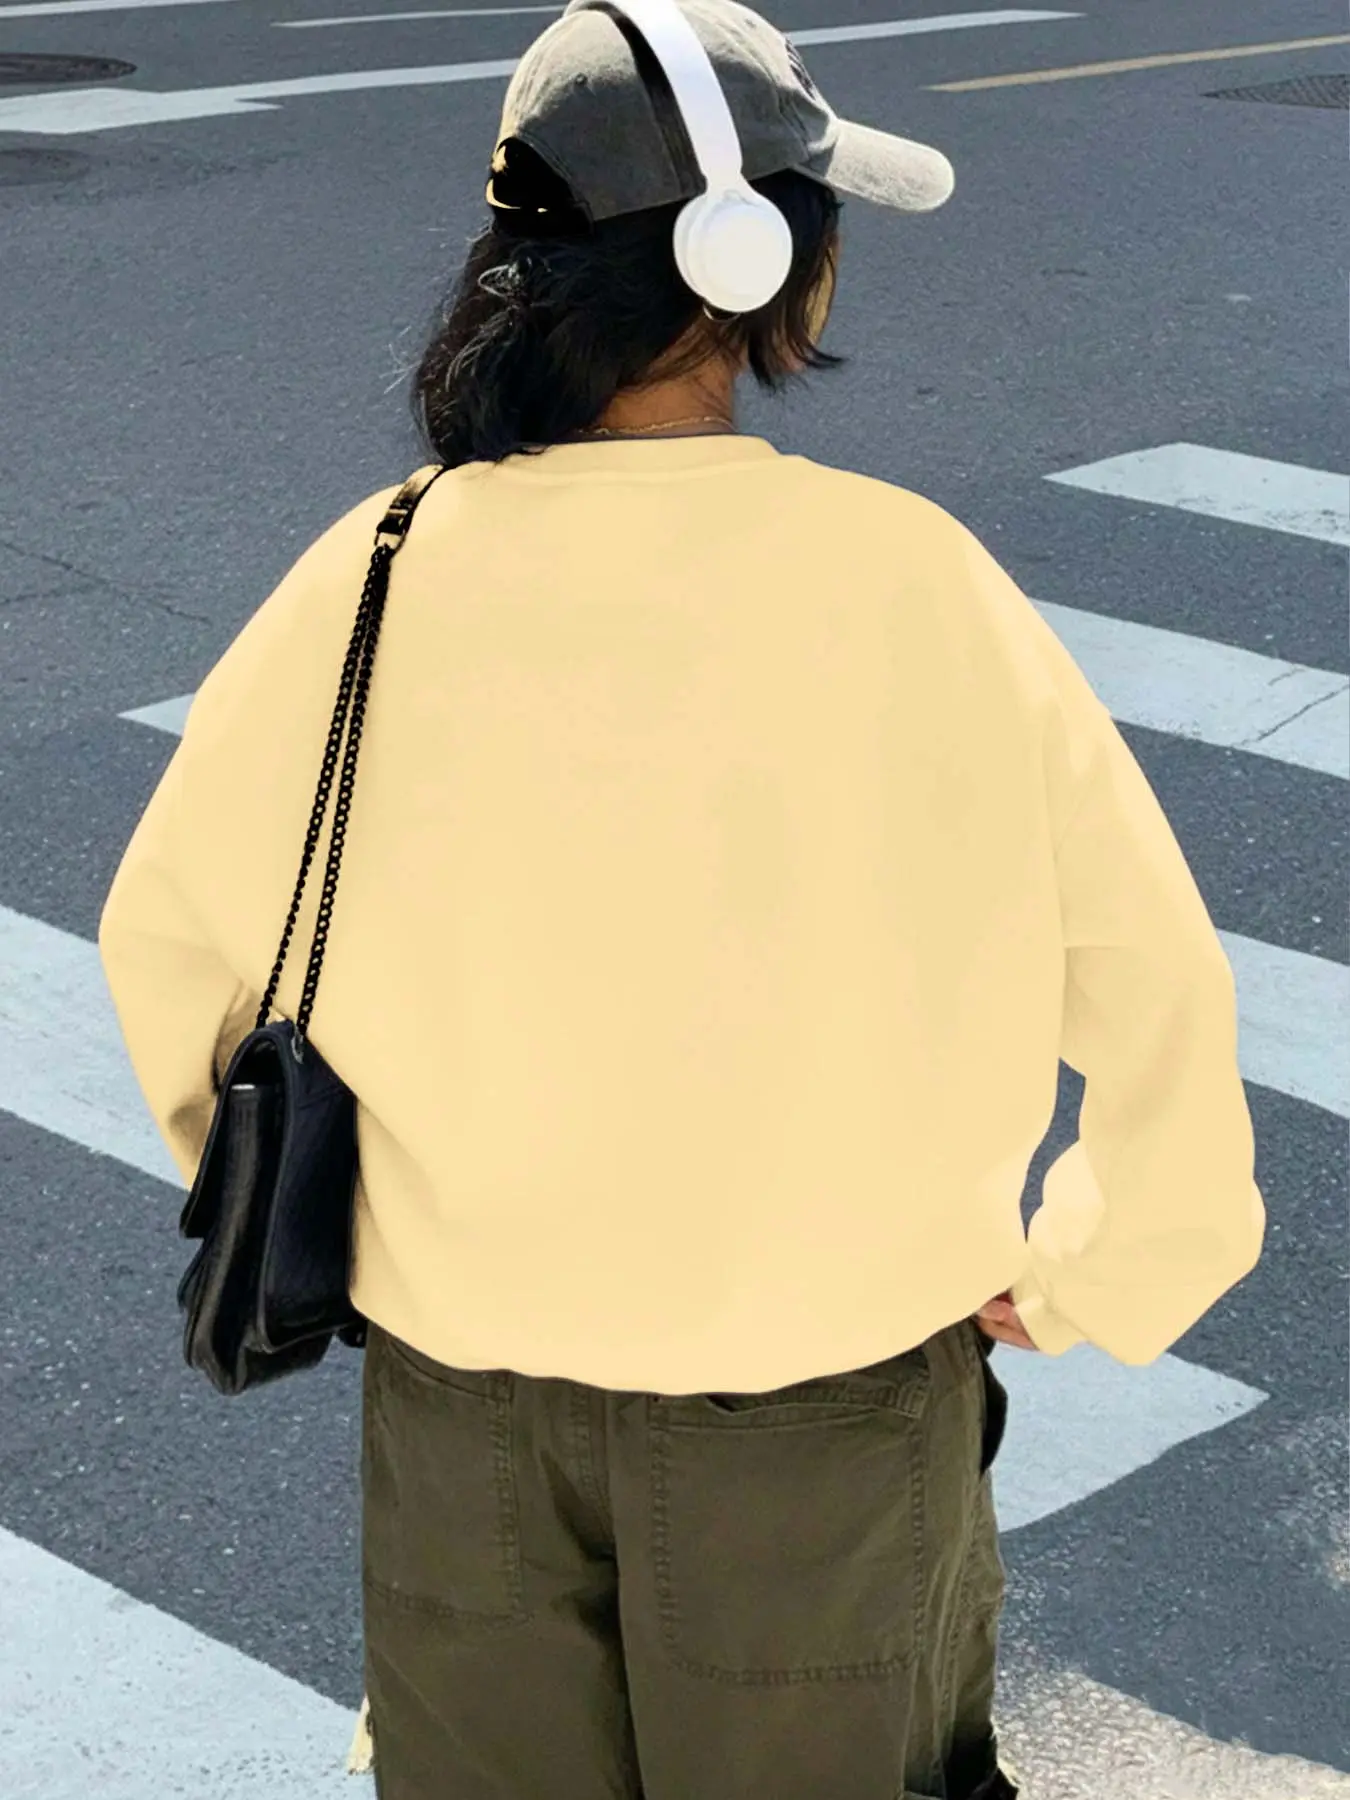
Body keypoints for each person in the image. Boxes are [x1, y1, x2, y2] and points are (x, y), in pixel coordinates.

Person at [97, 3, 1265, 1797]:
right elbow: (1149, 979)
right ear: (763, 269)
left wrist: (368, 1220)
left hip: (464, 1408)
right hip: (825, 1408)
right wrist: (1103, 1266)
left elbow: (173, 946)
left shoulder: (378, 567)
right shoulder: (908, 581)